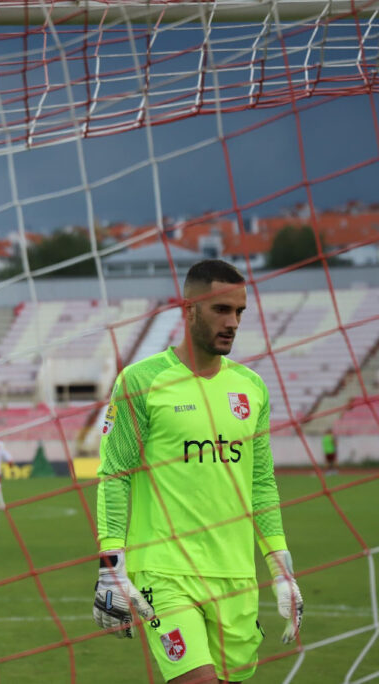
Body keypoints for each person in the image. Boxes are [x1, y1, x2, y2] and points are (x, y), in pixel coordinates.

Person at [92, 259, 304, 684]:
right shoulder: (141, 381)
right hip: (166, 571)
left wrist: (280, 567)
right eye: (221, 310)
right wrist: (111, 566)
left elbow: (260, 483)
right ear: (188, 308)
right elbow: (115, 473)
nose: (233, 322)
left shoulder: (252, 388)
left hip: (236, 574)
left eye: (239, 312)